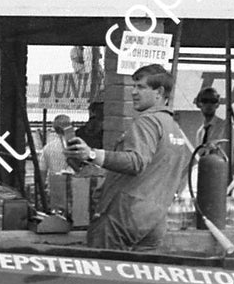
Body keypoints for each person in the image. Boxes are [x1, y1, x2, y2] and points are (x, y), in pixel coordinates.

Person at [67, 64, 193, 251]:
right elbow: (181, 170)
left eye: (140, 87)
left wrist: (91, 154)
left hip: (125, 217)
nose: (133, 92)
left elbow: (136, 162)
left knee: (102, 270)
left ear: (159, 92)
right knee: (141, 276)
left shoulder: (148, 121)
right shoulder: (174, 128)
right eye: (134, 86)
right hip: (155, 219)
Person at [193, 87, 230, 154]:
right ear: (198, 104)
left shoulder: (226, 127)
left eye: (213, 101)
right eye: (205, 101)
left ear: (217, 104)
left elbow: (229, 157)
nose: (209, 104)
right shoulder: (200, 132)